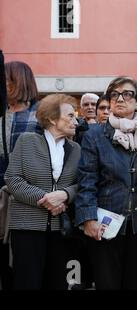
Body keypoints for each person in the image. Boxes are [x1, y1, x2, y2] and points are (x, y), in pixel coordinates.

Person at [75, 76, 137, 290]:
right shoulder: (94, 135)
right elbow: (86, 179)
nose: (120, 99)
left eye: (127, 94)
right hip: (105, 225)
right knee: (107, 284)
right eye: (114, 95)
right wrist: (88, 218)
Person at [5, 94, 79, 289]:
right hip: (26, 228)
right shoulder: (26, 141)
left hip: (61, 230)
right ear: (53, 119)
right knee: (26, 282)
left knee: (58, 283)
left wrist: (65, 194)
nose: (76, 121)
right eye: (70, 116)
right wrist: (46, 199)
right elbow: (12, 179)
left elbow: (82, 183)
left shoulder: (76, 149)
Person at [0, 61, 42, 290]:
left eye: (8, 79)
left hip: (28, 205)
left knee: (26, 272)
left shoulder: (41, 116)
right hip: (1, 203)